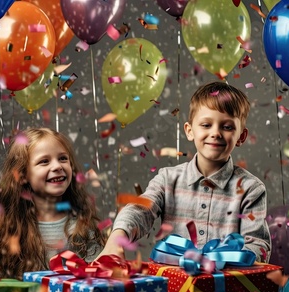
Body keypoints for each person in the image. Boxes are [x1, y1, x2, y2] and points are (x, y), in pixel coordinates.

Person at [99, 81, 271, 262]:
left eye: (227, 127)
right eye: (206, 125)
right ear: (190, 131)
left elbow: (258, 246)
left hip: (227, 287)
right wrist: (116, 241)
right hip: (173, 286)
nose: (215, 133)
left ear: (241, 136)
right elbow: (139, 210)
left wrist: (221, 261)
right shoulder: (167, 179)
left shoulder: (251, 189)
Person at [0, 128, 105, 279]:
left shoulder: (83, 229)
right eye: (44, 161)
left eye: (63, 158)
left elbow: (97, 280)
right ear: (22, 175)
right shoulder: (7, 230)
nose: (57, 166)